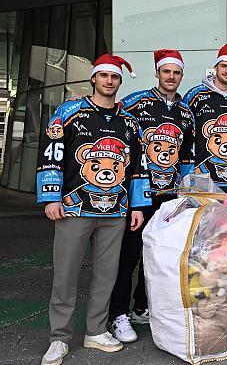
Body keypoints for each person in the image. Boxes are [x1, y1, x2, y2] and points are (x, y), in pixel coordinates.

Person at [36, 55, 150, 365]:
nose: (109, 81)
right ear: (94, 79)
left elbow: (139, 166)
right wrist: (51, 197)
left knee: (106, 275)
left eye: (114, 77)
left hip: (116, 212)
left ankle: (96, 331)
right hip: (74, 210)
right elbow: (51, 154)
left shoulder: (130, 121)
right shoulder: (69, 112)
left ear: (120, 82)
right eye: (104, 76)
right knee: (66, 275)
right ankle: (59, 338)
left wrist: (138, 206)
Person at [108, 49, 195, 343]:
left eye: (177, 72)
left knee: (158, 254)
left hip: (170, 195)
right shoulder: (134, 104)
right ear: (158, 73)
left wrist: (187, 193)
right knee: (129, 255)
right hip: (138, 193)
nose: (171, 77)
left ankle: (141, 306)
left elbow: (186, 158)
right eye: (166, 71)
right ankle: (117, 313)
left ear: (182, 75)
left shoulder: (186, 113)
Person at [183, 44, 227, 196]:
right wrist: (191, 167)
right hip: (201, 177)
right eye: (223, 66)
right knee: (201, 218)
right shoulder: (196, 95)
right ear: (216, 67)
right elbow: (183, 132)